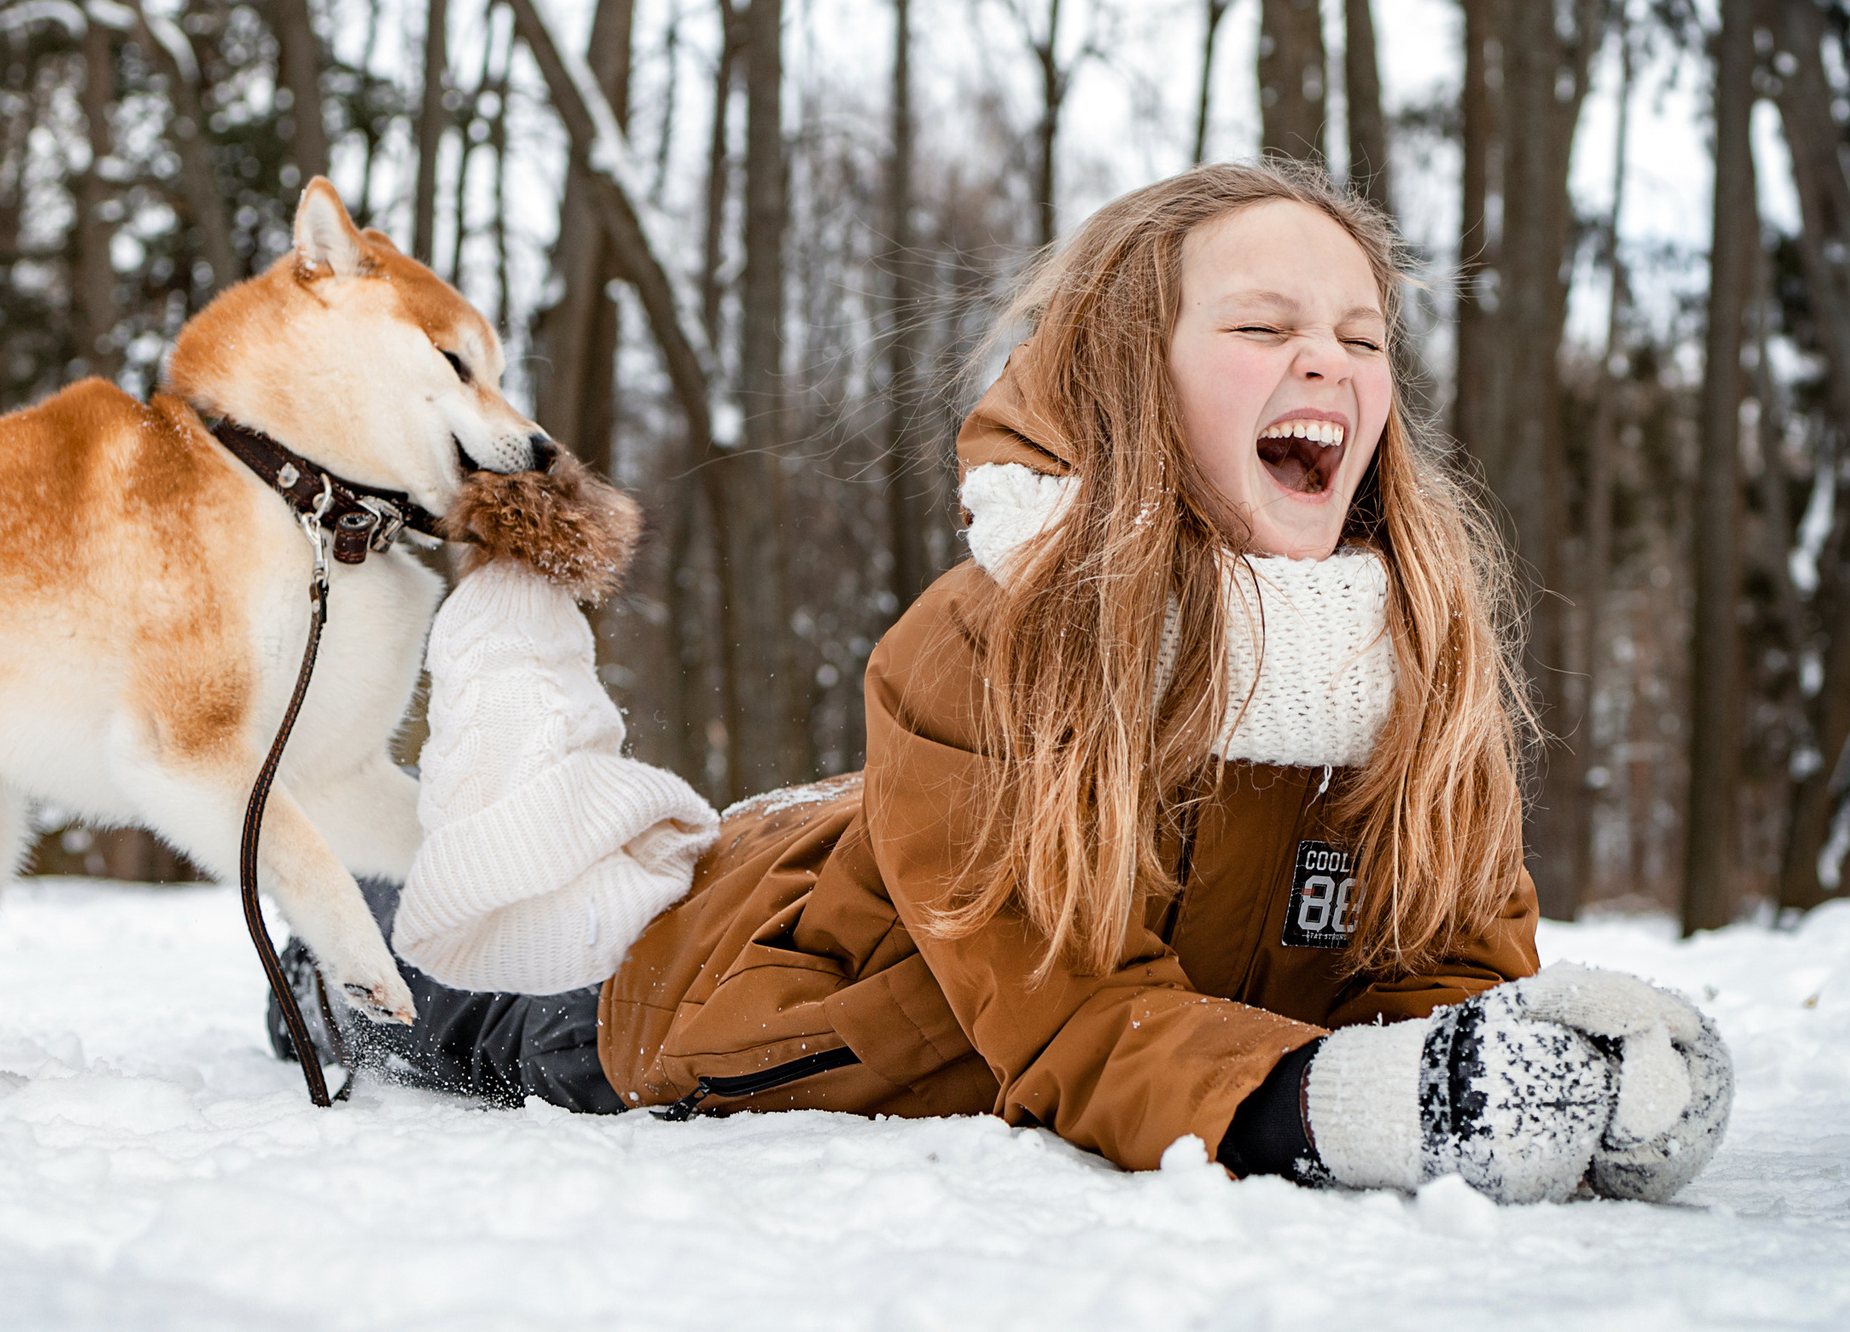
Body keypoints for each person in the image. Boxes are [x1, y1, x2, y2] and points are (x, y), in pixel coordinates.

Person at [273, 162, 1732, 1203]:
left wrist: (1542, 1058)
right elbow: (1078, 1022)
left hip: (869, 872)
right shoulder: (983, 645)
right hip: (735, 1002)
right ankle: (335, 944)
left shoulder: (1413, 656)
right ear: (1125, 379)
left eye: (1361, 337)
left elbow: (1443, 961)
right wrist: (1344, 1105)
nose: (1330, 363)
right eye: (1263, 327)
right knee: (468, 1002)